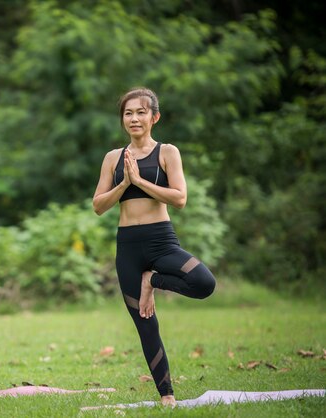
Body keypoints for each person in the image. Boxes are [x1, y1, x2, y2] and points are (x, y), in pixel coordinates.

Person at [92, 87, 216, 406]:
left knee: (203, 282)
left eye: (141, 112)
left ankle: (154, 280)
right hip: (128, 247)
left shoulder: (167, 152)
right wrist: (123, 182)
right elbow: (98, 205)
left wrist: (141, 182)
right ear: (123, 119)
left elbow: (180, 198)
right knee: (145, 323)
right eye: (128, 113)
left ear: (154, 117)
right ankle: (167, 396)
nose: (134, 118)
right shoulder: (113, 158)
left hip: (162, 240)